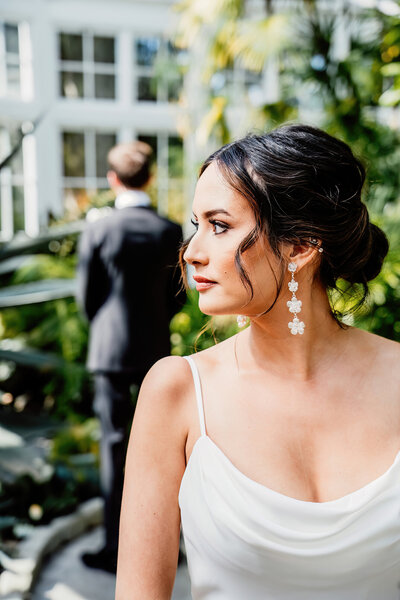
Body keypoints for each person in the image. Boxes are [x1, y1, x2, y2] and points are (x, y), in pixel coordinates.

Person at [115, 124, 400, 599]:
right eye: (196, 226)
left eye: (220, 226)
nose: (193, 252)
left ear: (301, 245)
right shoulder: (178, 393)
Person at [76, 140, 186, 574]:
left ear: (112, 179)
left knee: (112, 447)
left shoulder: (98, 230)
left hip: (108, 352)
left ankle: (112, 549)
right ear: (151, 177)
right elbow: (177, 295)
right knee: (163, 452)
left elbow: (87, 297)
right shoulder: (169, 229)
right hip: (157, 351)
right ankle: (168, 549)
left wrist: (102, 329)